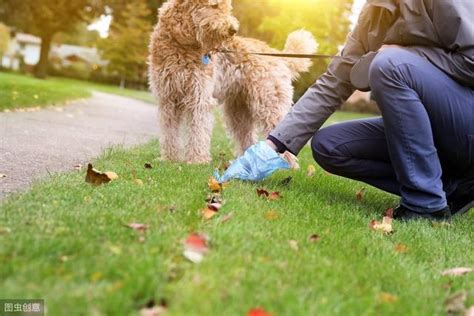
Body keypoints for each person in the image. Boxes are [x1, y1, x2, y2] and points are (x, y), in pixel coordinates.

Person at [223, 0, 474, 221]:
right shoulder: (375, 11)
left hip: (465, 124)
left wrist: (405, 55)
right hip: (437, 132)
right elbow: (336, 80)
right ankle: (454, 187)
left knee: (389, 65)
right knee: (329, 146)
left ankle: (426, 204)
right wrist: (272, 146)